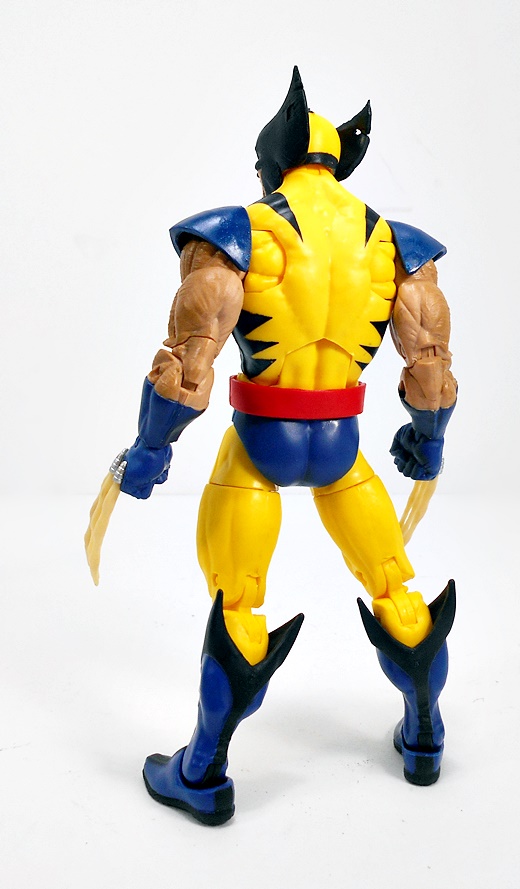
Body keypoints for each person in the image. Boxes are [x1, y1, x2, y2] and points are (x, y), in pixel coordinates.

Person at [86, 67, 457, 825]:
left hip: (260, 443)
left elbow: (188, 363)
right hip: (341, 446)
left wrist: (150, 450)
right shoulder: (392, 244)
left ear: (274, 158)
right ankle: (424, 736)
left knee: (239, 599)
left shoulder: (241, 231)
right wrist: (428, 441)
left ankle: (202, 771)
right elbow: (431, 366)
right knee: (394, 586)